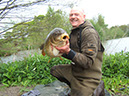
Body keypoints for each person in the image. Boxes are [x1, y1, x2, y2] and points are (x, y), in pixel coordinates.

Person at [50, 7, 105, 96]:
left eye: (76, 14)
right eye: (71, 15)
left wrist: (68, 51)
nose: (73, 17)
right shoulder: (73, 32)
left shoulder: (89, 33)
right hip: (76, 70)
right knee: (54, 70)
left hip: (89, 76)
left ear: (83, 17)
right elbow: (73, 55)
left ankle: (96, 86)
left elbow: (87, 62)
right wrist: (59, 51)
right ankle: (75, 86)